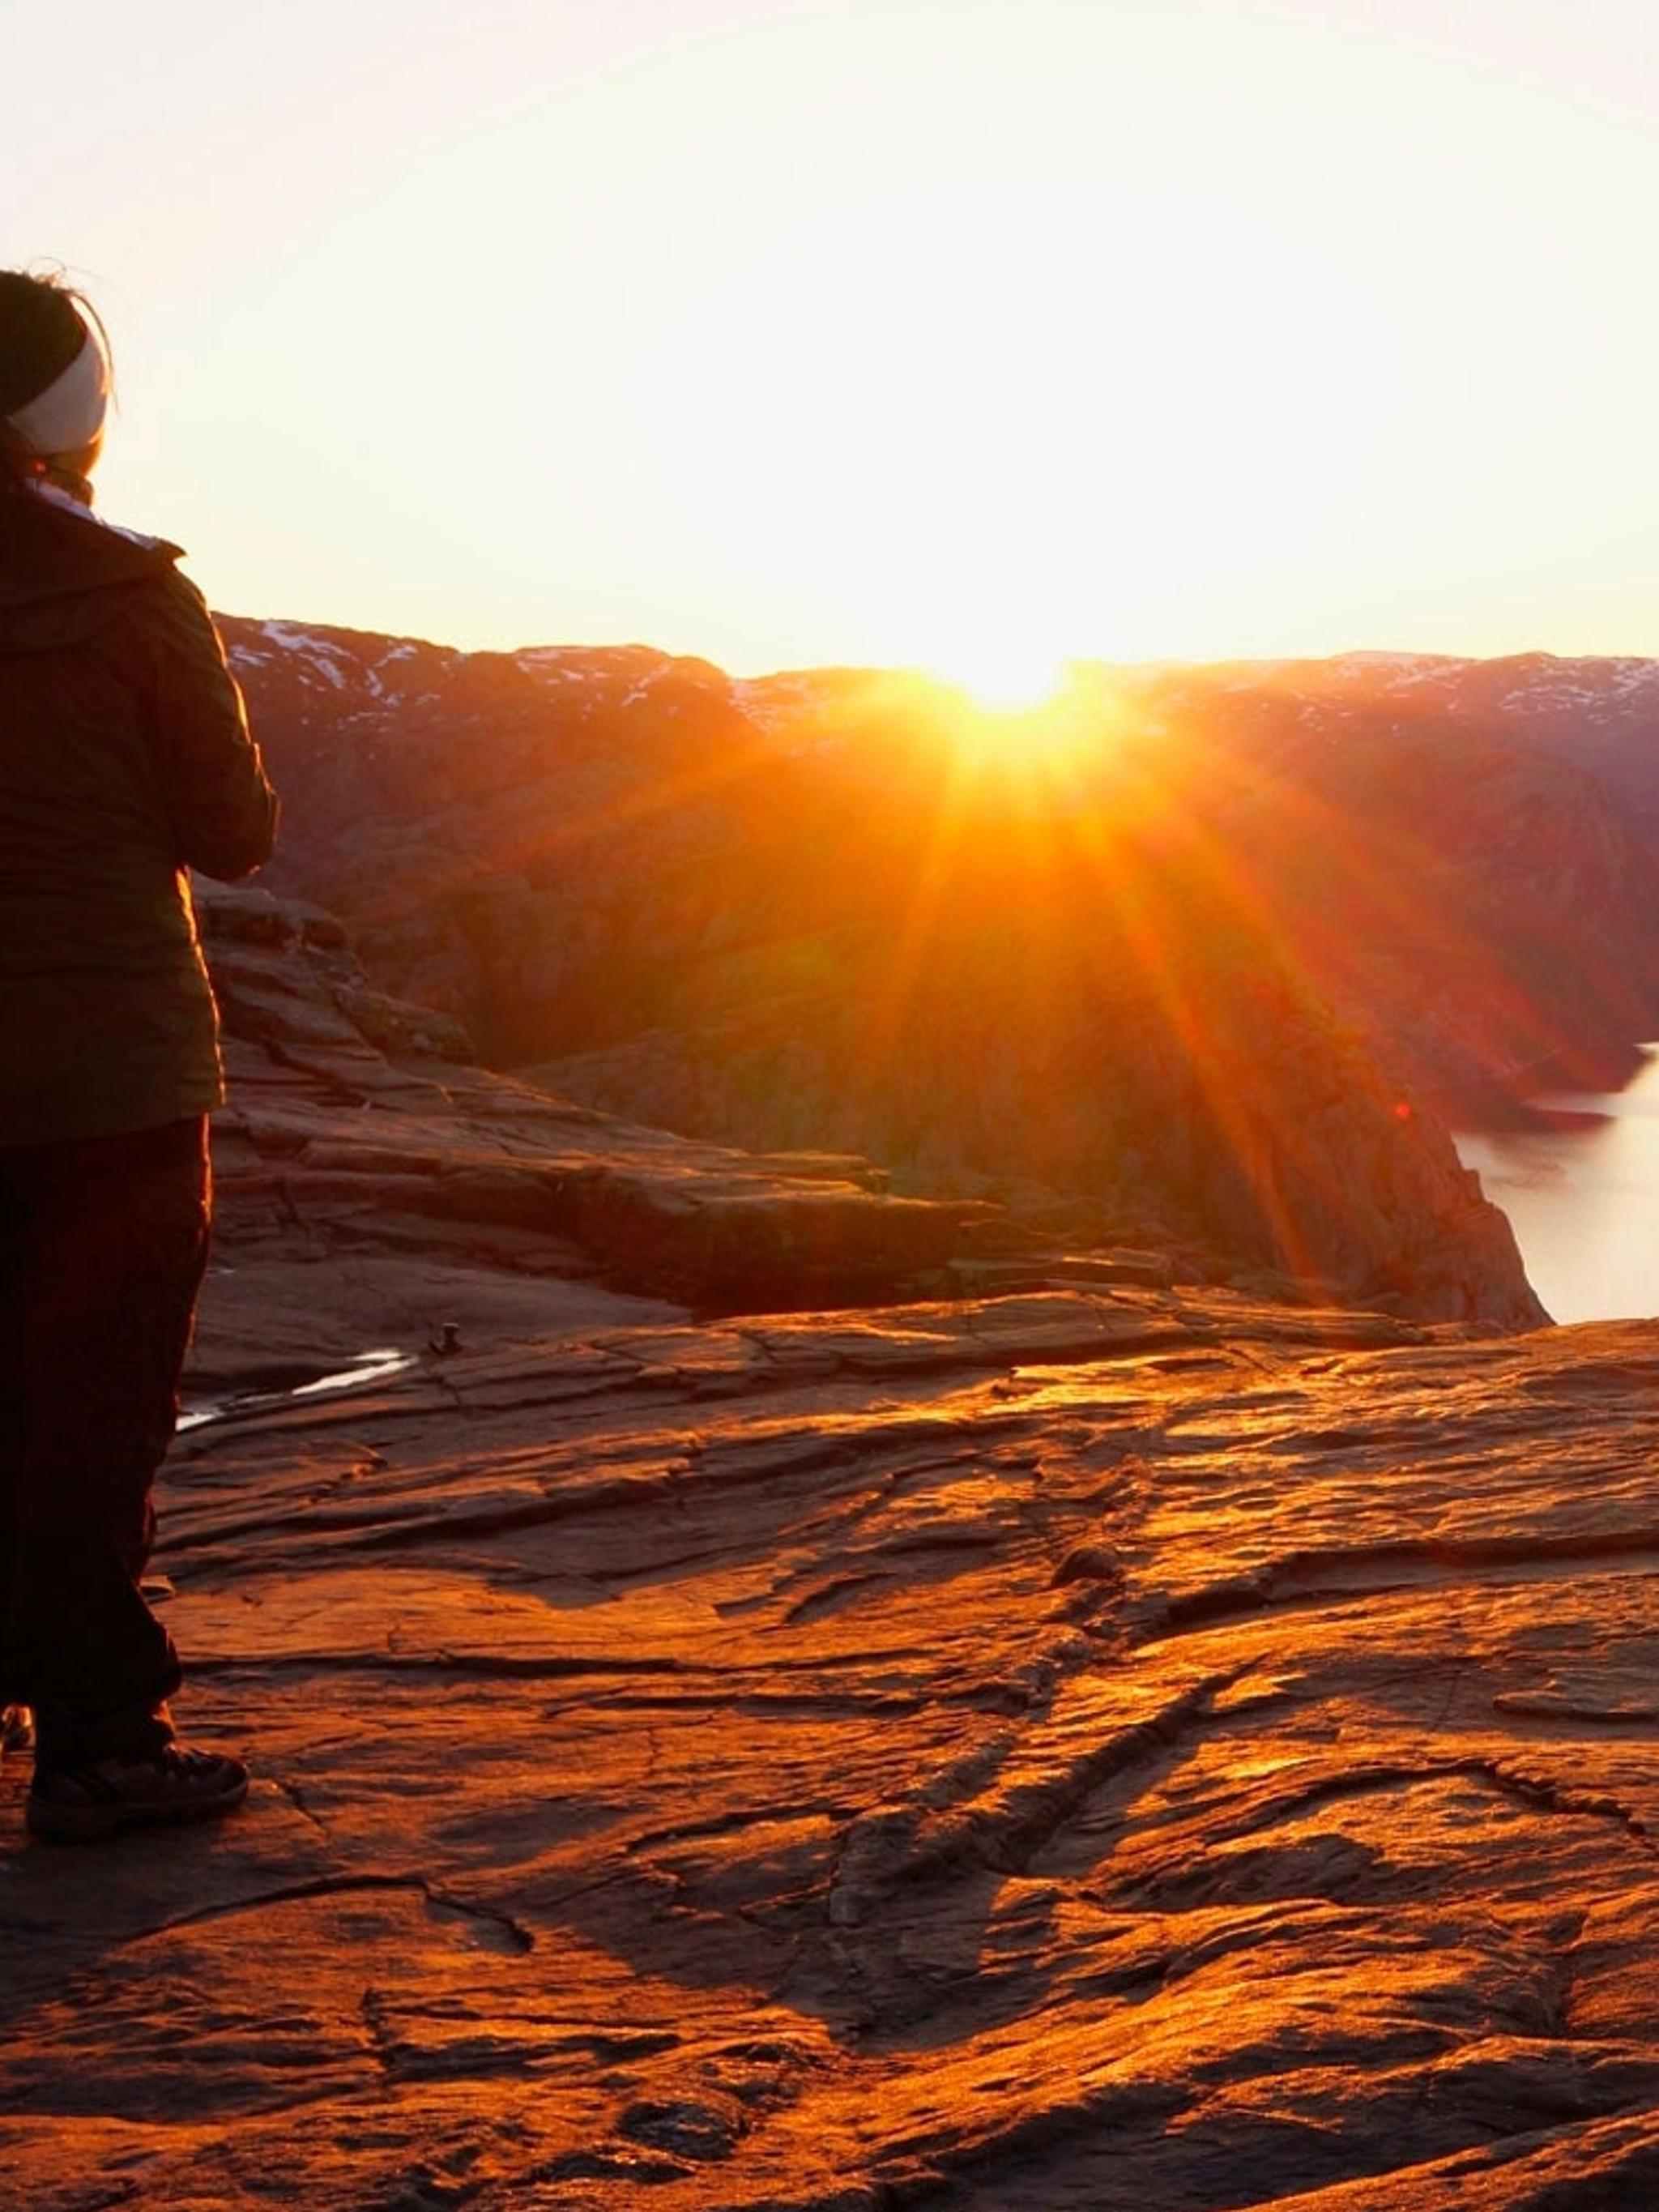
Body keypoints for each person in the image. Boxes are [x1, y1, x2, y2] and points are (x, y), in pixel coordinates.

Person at [0, 269, 278, 1841]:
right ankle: (99, 1742)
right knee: (90, 1412)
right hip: (108, 1076)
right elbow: (231, 836)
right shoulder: (131, 592)